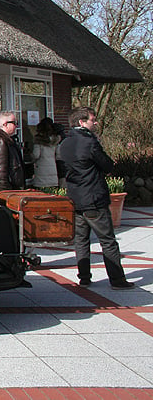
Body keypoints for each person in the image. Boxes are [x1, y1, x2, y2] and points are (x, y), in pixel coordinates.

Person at [57, 107, 134, 289]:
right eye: (93, 119)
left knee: (81, 240)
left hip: (75, 197)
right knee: (107, 240)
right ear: (82, 122)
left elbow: (63, 169)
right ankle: (117, 280)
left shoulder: (64, 144)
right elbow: (107, 165)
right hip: (93, 197)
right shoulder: (89, 142)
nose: (96, 122)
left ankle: (84, 276)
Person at [0, 110, 25, 190]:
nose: (16, 126)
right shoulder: (0, 142)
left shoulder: (8, 141)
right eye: (14, 123)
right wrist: (7, 193)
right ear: (5, 124)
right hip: (8, 194)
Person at [31, 117, 59, 188]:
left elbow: (36, 155)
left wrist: (30, 155)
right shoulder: (55, 140)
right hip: (53, 170)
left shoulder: (39, 141)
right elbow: (58, 155)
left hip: (41, 171)